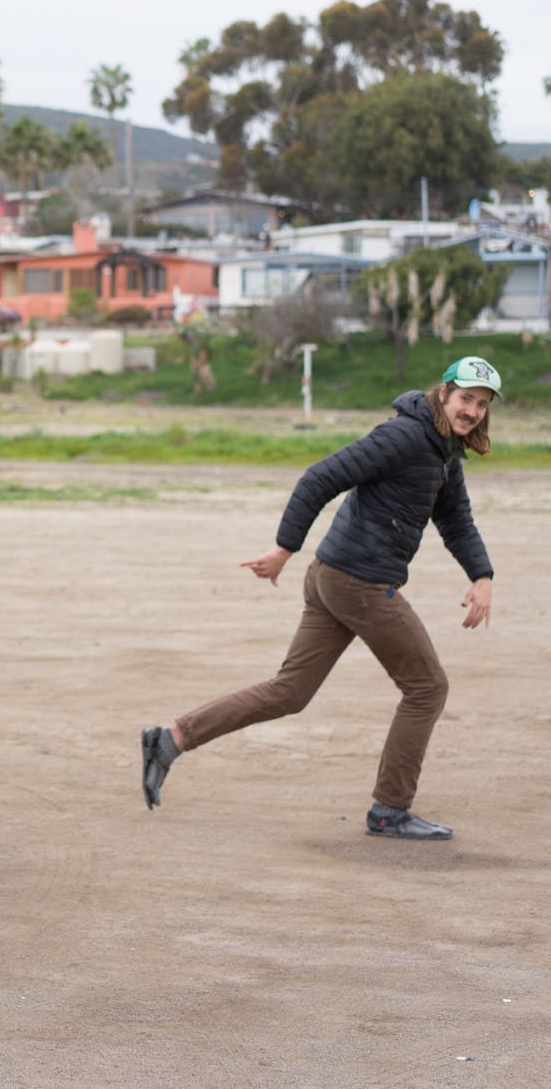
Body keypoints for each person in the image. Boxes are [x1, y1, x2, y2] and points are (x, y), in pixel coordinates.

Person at [140, 356, 504, 840]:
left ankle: (170, 740)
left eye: (482, 404)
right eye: (466, 399)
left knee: (289, 692)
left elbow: (455, 517)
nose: (473, 411)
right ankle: (390, 810)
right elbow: (320, 477)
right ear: (443, 393)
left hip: (334, 576)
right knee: (426, 688)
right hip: (360, 583)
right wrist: (283, 548)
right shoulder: (402, 437)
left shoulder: (442, 450)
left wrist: (481, 575)